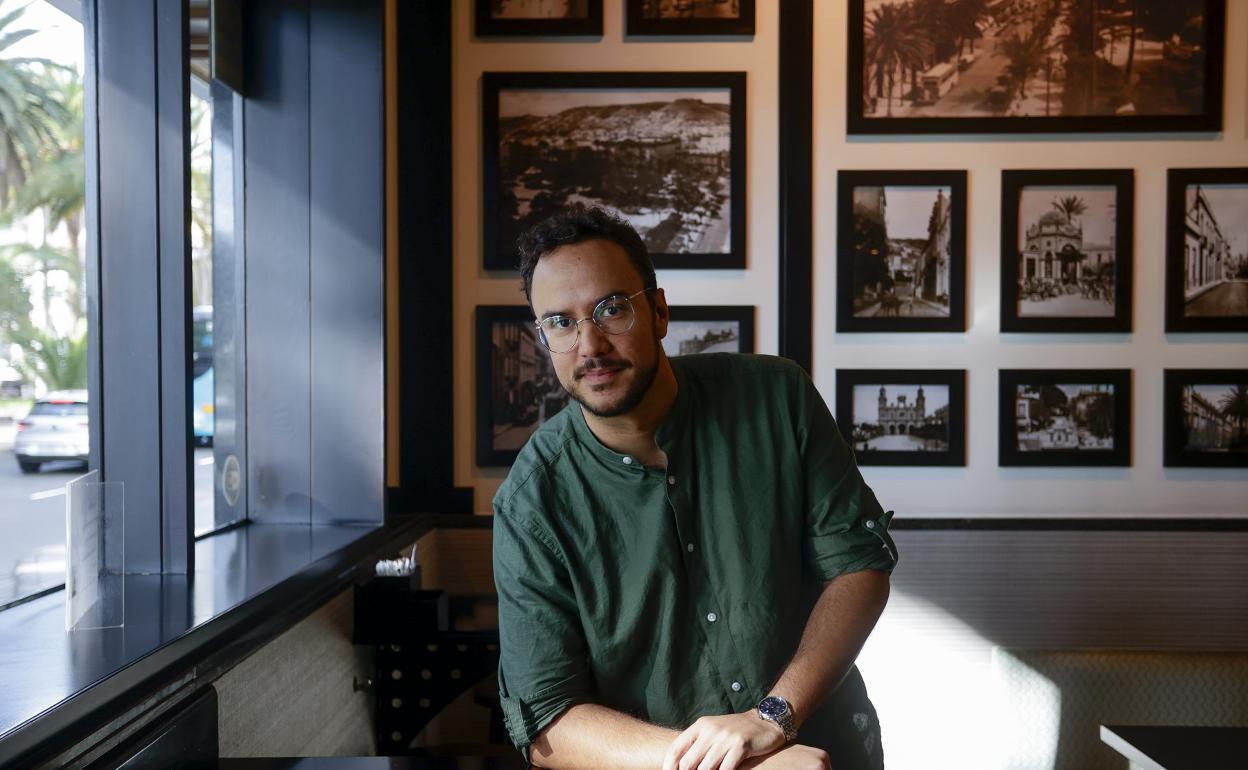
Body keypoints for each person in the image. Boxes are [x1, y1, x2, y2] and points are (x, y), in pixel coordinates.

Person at [493, 205, 898, 770]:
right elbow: (548, 721)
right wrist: (732, 764)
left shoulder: (778, 399)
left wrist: (772, 717)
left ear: (658, 312)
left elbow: (858, 567)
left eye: (610, 309)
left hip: (825, 751)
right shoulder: (531, 501)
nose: (589, 345)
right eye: (560, 322)